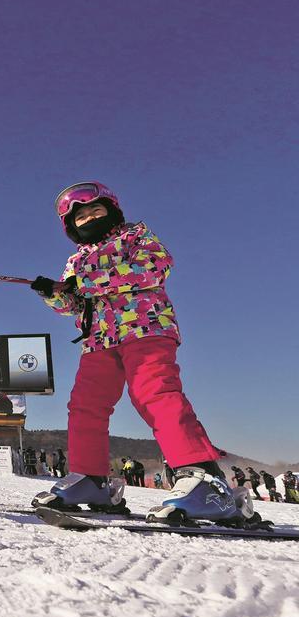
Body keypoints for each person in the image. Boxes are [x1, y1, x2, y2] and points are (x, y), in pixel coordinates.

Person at [30, 182, 252, 524]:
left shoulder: (136, 236)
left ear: (113, 211)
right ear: (70, 228)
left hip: (145, 328)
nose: (88, 218)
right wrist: (54, 293)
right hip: (99, 339)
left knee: (153, 393)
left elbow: (153, 268)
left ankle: (205, 481)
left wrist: (86, 282)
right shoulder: (77, 259)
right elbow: (74, 305)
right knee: (85, 404)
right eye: (80, 217)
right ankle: (91, 480)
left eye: (95, 210)